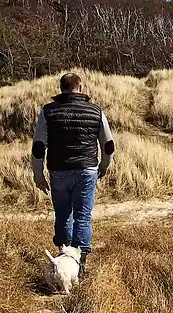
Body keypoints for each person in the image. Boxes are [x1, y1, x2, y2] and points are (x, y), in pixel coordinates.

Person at [31, 73, 115, 278]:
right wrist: (103, 166)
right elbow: (109, 145)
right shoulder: (96, 110)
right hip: (87, 170)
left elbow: (38, 146)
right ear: (80, 87)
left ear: (61, 88)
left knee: (63, 214)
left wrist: (38, 174)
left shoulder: (48, 111)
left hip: (59, 170)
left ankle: (62, 257)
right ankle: (80, 263)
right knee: (83, 216)